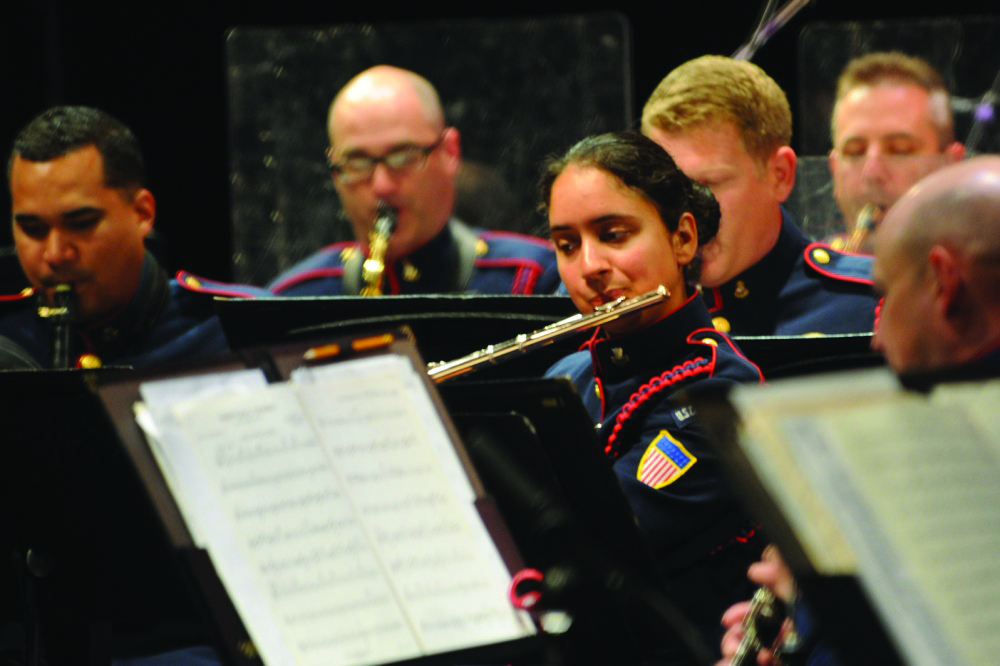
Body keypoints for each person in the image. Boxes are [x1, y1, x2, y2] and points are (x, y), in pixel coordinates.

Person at [717, 156, 1000, 665]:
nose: (876, 338)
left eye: (886, 298)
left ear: (944, 282)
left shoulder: (950, 452)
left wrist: (820, 613)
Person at [541, 131, 766, 655]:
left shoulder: (720, 394)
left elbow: (601, 538)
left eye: (614, 235)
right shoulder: (567, 375)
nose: (589, 266)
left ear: (683, 238)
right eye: (567, 245)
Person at [1, 106, 261, 370]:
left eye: (81, 224)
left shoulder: (245, 328)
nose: (55, 254)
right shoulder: (7, 336)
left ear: (142, 214)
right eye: (32, 229)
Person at [268, 65, 561, 296]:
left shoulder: (534, 280)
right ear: (335, 171)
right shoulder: (290, 299)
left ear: (449, 152)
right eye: (357, 162)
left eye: (403, 156)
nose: (382, 185)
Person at [641, 55, 878, 336]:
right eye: (668, 187)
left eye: (709, 184)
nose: (685, 213)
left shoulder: (871, 307)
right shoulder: (637, 315)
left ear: (780, 175)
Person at [827, 51, 965, 253]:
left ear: (951, 166)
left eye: (900, 150)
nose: (872, 173)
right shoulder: (810, 274)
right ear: (834, 169)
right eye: (855, 152)